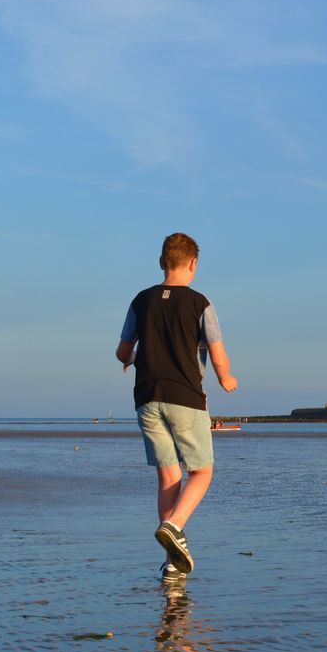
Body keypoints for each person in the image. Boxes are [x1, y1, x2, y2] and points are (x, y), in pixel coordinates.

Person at [116, 233, 238, 581]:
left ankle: (172, 562)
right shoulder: (201, 303)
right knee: (201, 472)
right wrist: (227, 377)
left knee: (168, 475)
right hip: (185, 397)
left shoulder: (141, 301)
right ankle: (174, 525)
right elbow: (216, 353)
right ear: (193, 264)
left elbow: (123, 353)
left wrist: (139, 358)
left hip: (147, 397)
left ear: (161, 262)